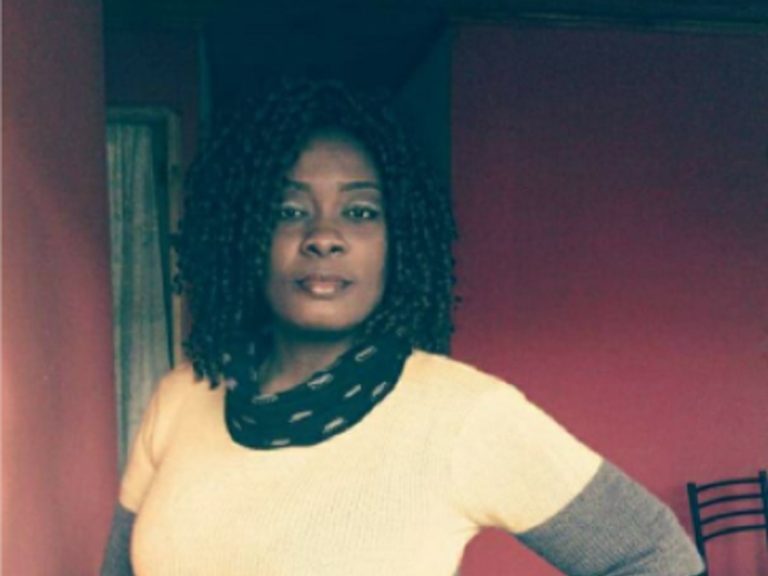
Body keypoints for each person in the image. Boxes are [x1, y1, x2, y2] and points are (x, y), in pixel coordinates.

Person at [101, 78, 704, 576]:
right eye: (288, 210)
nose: (324, 236)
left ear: (400, 241)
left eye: (360, 211)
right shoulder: (180, 398)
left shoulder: (465, 414)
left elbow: (653, 555)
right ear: (241, 236)